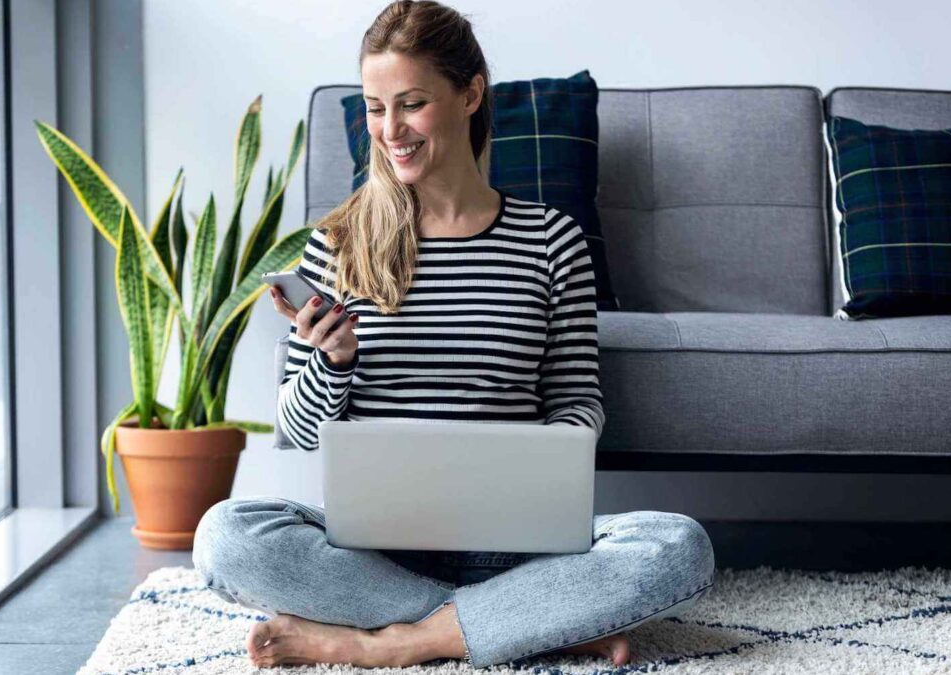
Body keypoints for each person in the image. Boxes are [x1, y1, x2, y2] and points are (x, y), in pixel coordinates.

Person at [192, 0, 715, 669]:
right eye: (375, 107)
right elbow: (294, 430)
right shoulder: (338, 243)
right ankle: (529, 619)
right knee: (226, 536)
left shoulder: (552, 240)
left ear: (470, 94)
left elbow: (578, 402)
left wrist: (541, 459)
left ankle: (395, 641)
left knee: (679, 545)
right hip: (373, 548)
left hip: (516, 541)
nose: (390, 130)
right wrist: (332, 362)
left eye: (410, 103)